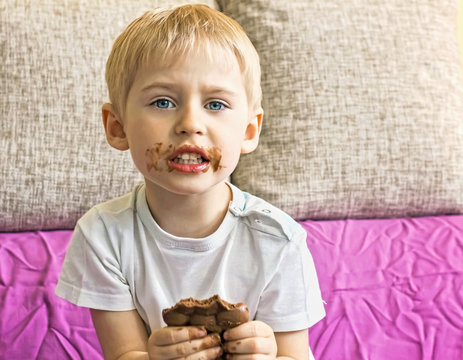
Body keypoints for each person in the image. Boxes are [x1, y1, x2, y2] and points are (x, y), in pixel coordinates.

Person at [55, 4, 325, 359]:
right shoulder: (103, 235)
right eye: (163, 101)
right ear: (117, 128)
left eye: (215, 104)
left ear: (248, 131)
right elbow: (123, 353)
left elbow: (296, 354)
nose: (190, 123)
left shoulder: (279, 240)